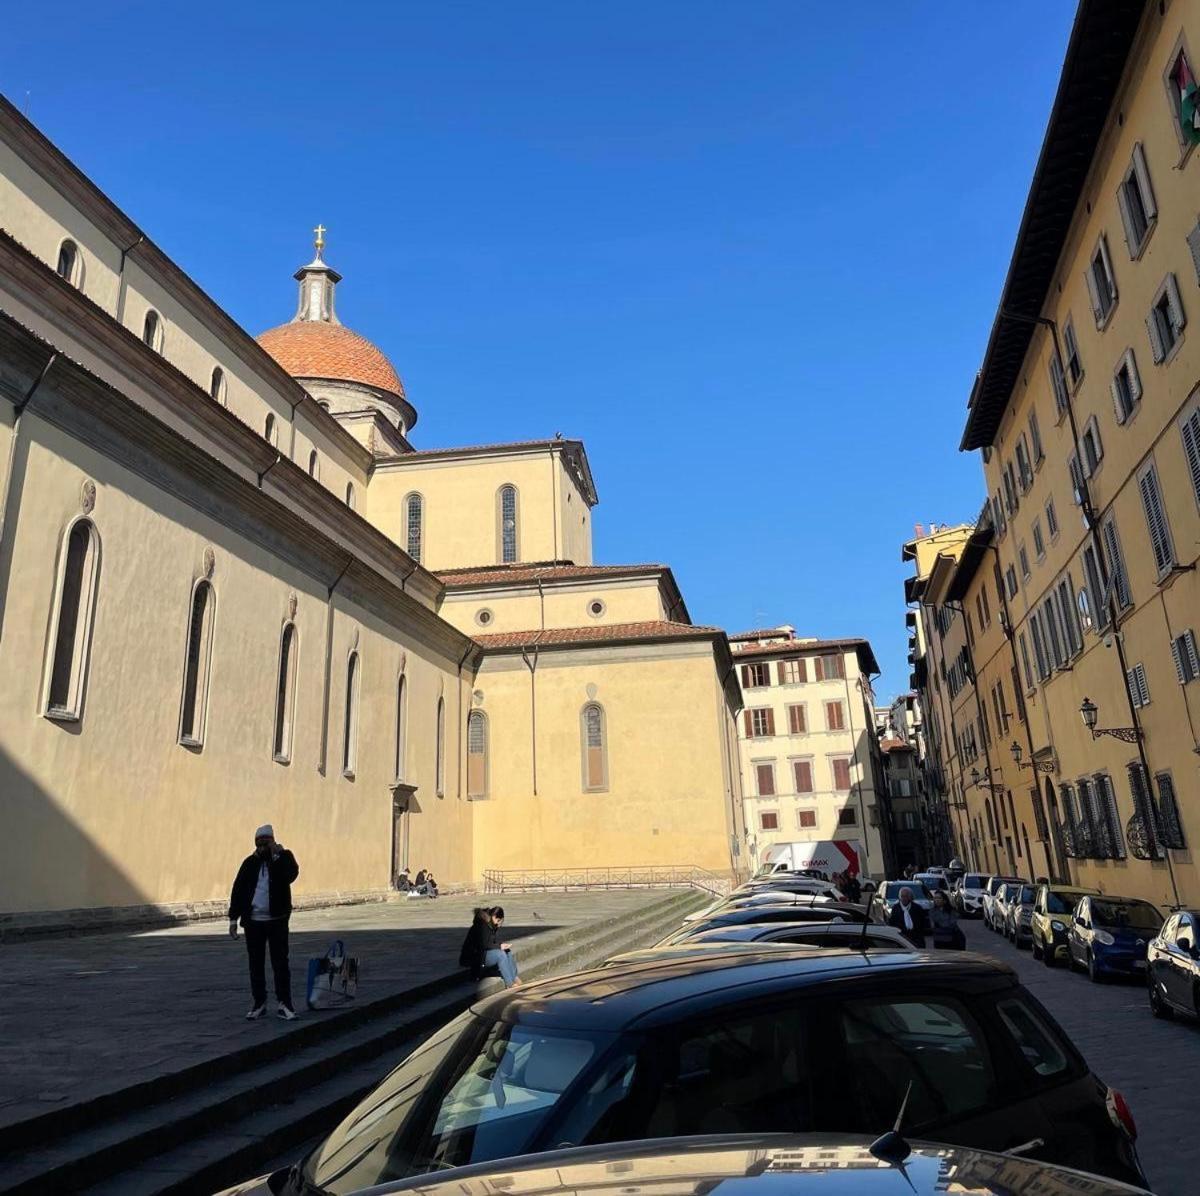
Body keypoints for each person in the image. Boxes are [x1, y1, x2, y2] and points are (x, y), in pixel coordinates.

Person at [228, 824, 300, 1020]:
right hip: (253, 922)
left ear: (272, 841)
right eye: (258, 844)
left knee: (280, 963)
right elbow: (238, 890)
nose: (261, 848)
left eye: (265, 844)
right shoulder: (249, 863)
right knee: (255, 964)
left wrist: (279, 854)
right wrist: (233, 919)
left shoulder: (283, 858)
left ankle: (285, 1003)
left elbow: (291, 875)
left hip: (277, 921)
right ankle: (259, 1002)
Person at [458, 906, 521, 987]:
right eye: (498, 921)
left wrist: (501, 945)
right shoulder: (482, 925)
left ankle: (514, 977)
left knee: (507, 951)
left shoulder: (490, 924)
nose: (498, 924)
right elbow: (483, 945)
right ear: (494, 916)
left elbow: (490, 942)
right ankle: (510, 983)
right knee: (500, 955)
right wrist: (499, 946)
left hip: (483, 953)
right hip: (474, 956)